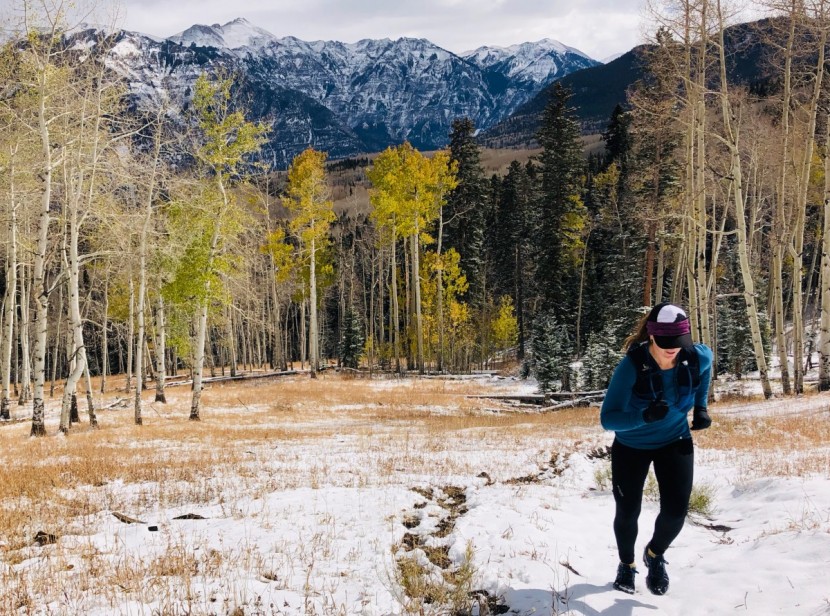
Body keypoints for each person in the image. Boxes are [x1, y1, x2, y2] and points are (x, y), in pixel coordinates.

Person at [600, 302, 713, 596]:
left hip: (675, 440)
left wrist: (701, 406)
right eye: (666, 343)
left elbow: (707, 365)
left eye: (679, 342)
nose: (673, 349)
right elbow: (608, 419)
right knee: (628, 512)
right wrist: (643, 417)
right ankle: (627, 565)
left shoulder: (695, 356)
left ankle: (654, 554)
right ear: (651, 335)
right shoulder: (631, 367)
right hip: (631, 446)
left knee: (676, 513)